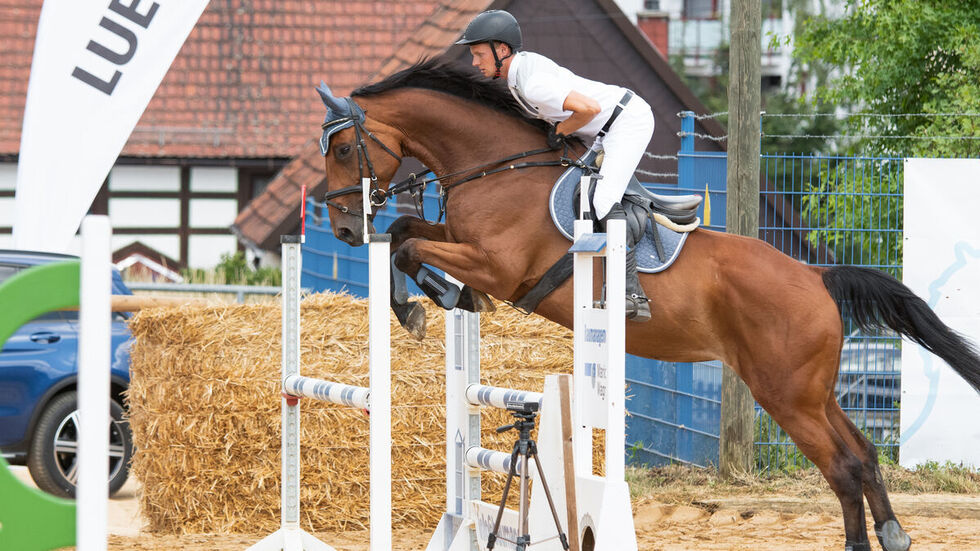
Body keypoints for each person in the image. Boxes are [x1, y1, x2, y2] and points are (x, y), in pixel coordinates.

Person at [456, 10, 654, 322]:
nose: (474, 62)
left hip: (625, 123)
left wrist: (560, 131)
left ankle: (630, 293)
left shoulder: (532, 84)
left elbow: (589, 108)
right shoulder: (518, 76)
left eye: (479, 54)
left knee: (603, 200)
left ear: (502, 50)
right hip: (601, 131)